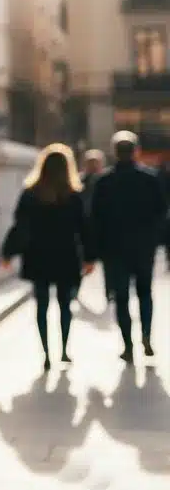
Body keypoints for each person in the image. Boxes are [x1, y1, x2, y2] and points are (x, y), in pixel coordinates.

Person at [0, 143, 97, 371]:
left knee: (41, 305)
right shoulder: (73, 195)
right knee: (65, 305)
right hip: (66, 256)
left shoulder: (30, 194)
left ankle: (46, 353)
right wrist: (90, 257)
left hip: (38, 256)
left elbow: (20, 227)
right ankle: (63, 350)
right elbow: (85, 228)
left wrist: (8, 252)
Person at [90, 130, 167, 363]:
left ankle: (128, 344)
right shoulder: (151, 178)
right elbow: (161, 212)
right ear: (136, 151)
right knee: (145, 293)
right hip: (144, 246)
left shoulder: (103, 181)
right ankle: (146, 335)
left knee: (121, 297)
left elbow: (95, 217)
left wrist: (94, 251)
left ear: (114, 152)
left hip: (114, 249)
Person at [80, 148, 110, 302]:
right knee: (81, 260)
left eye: (96, 163)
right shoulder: (79, 181)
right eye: (91, 163)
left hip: (103, 228)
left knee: (108, 263)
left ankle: (109, 291)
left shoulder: (108, 180)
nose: (93, 166)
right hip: (84, 226)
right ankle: (75, 287)